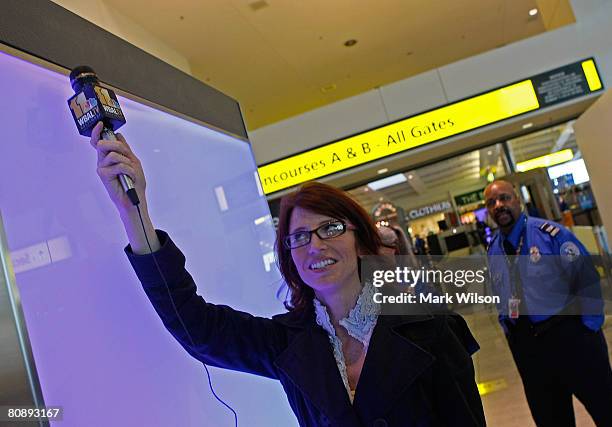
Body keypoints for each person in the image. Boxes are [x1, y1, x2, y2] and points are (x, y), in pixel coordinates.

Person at [89, 121, 486, 427]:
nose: (315, 246)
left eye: (330, 229)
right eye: (298, 237)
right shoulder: (289, 342)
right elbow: (198, 329)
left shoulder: (432, 329)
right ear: (290, 258)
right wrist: (133, 210)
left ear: (361, 240)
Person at [484, 179, 612, 427]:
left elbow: (586, 278)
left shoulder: (550, 234)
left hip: (571, 338)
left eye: (504, 198)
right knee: (550, 419)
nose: (499, 205)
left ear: (518, 200)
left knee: (606, 407)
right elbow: (501, 294)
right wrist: (508, 328)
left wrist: (588, 328)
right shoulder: (494, 251)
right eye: (491, 202)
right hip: (530, 350)